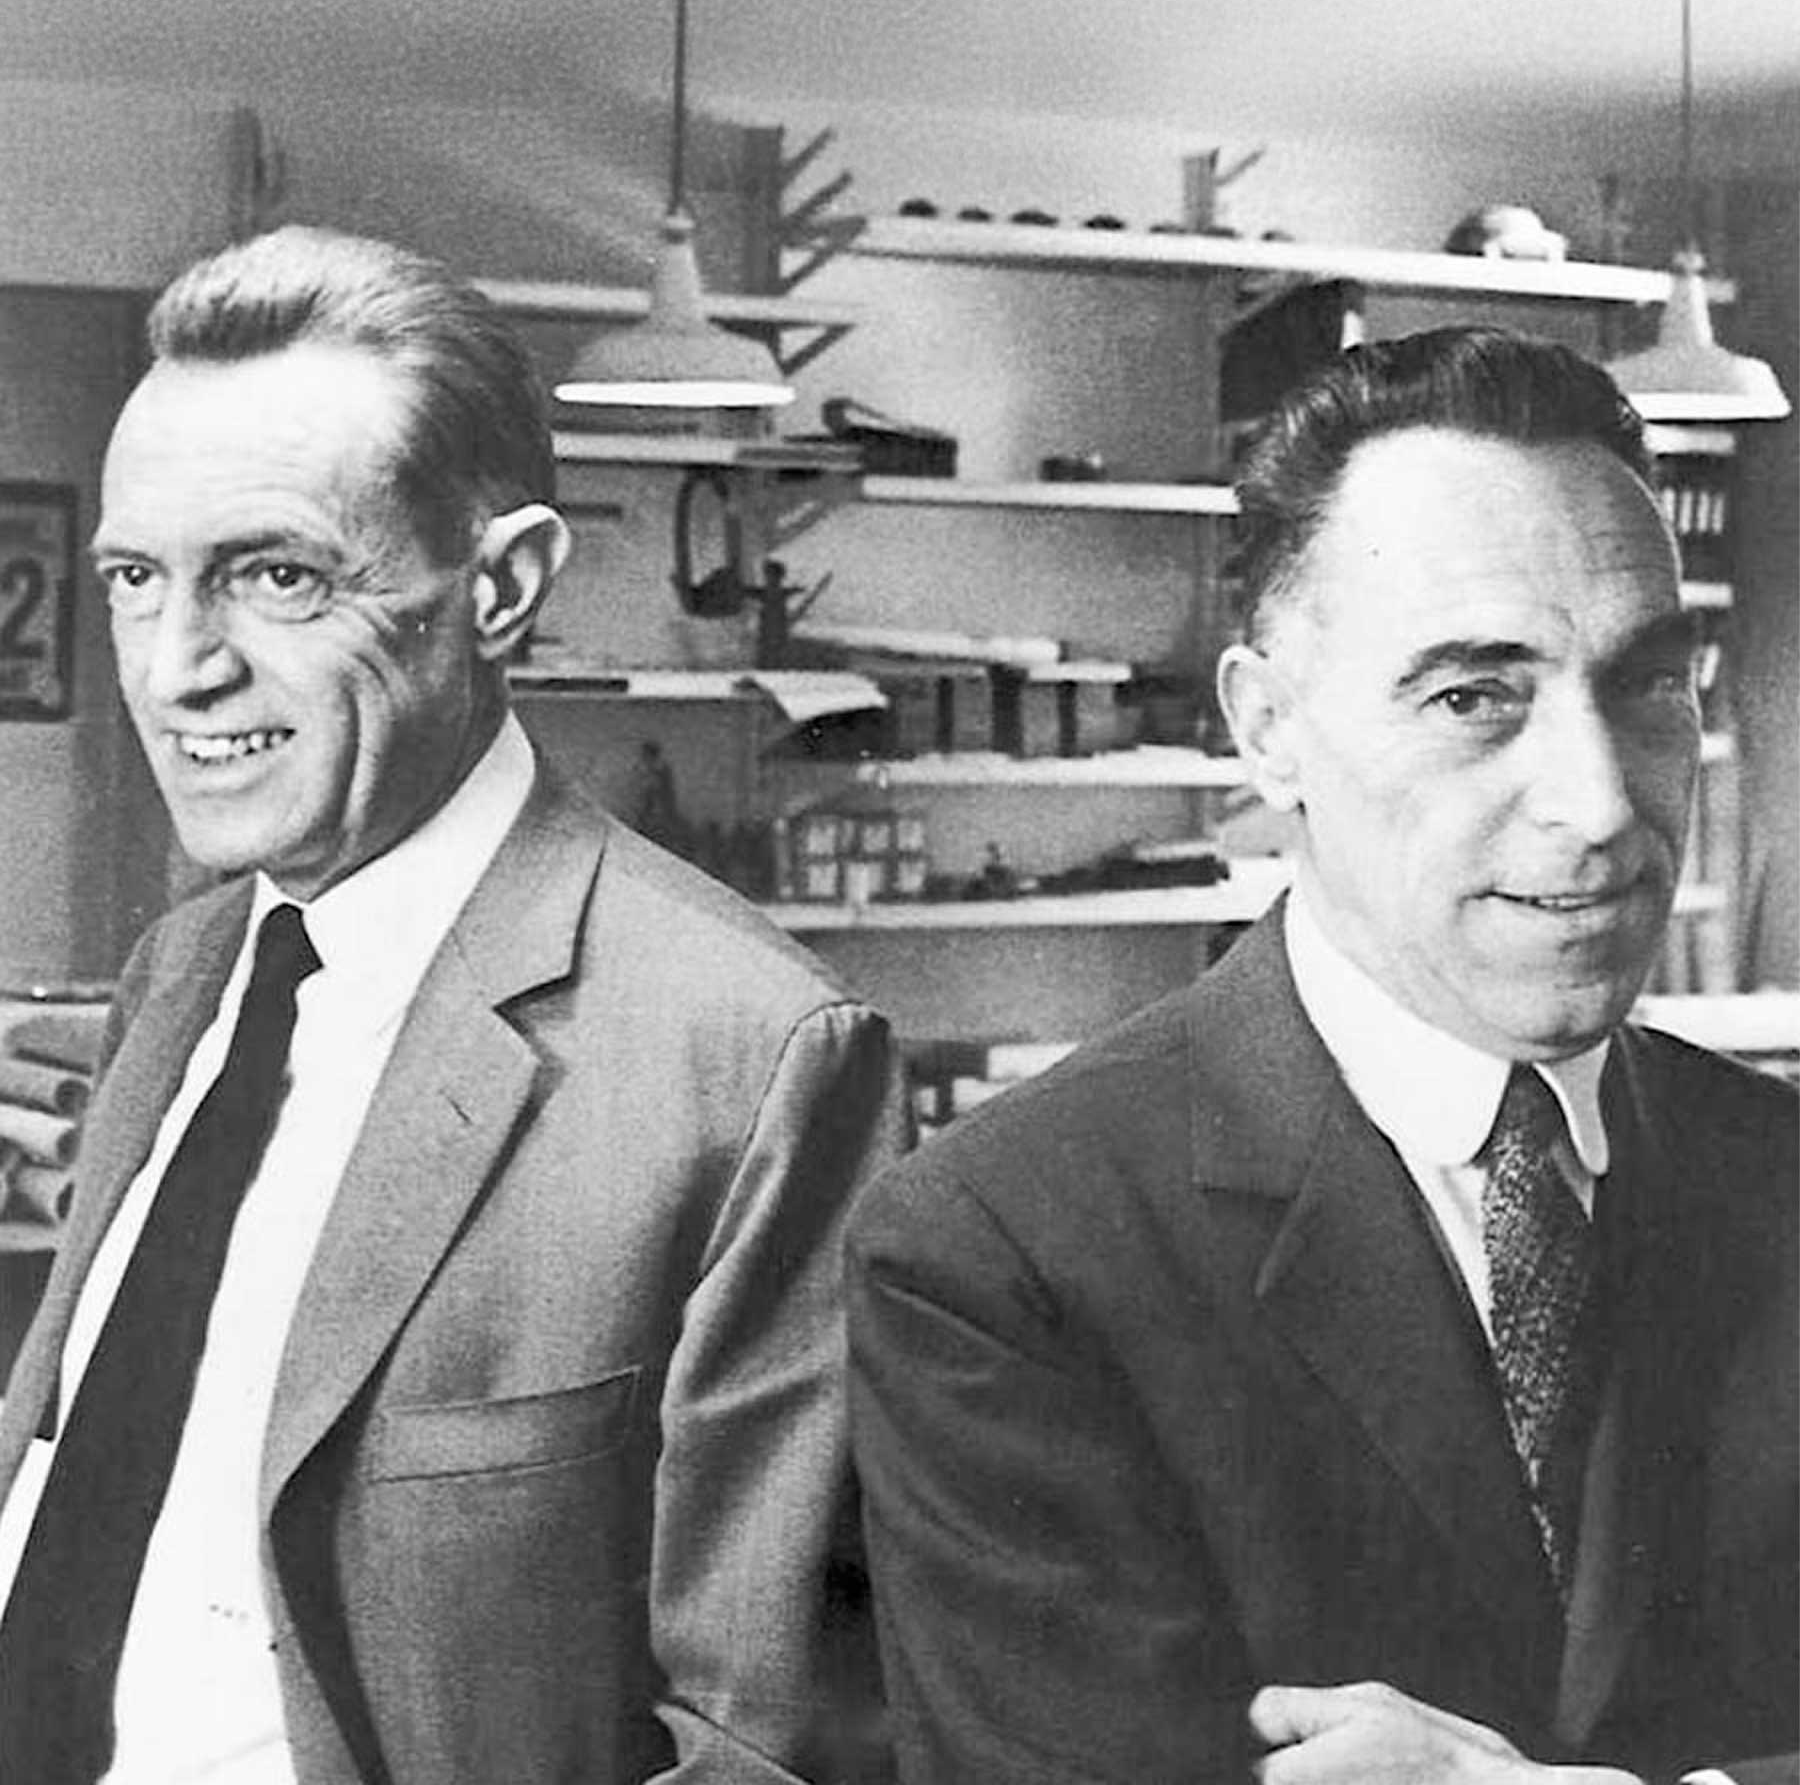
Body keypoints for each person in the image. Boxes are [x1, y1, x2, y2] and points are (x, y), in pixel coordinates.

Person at [0, 224, 910, 1784]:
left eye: (276, 575)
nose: (173, 670)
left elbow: (755, 1747)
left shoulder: (756, 1061)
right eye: (138, 580)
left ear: (502, 587)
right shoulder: (188, 967)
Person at [846, 326, 1797, 1785]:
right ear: (1268, 727)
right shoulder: (1001, 1252)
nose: (1602, 802)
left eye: (1646, 683)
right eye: (1474, 696)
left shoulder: (1778, 1174)